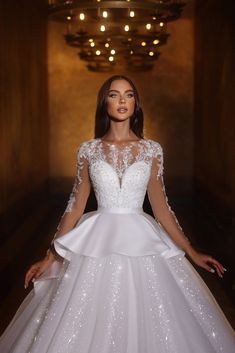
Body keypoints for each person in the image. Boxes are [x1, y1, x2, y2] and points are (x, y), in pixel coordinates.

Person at [0, 75, 234, 353]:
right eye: (114, 94)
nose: (122, 100)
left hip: (142, 238)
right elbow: (75, 206)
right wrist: (50, 255)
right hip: (97, 240)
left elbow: (162, 209)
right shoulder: (88, 150)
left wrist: (192, 252)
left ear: (136, 103)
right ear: (104, 103)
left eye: (129, 94)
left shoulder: (152, 150)